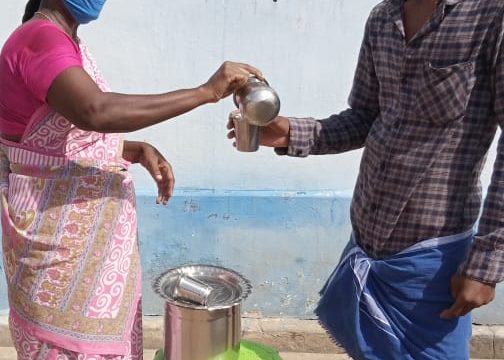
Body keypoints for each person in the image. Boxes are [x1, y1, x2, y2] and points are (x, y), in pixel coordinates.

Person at [228, 0, 503, 359]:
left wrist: (486, 263)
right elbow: (365, 116)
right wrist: (289, 132)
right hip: (366, 243)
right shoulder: (384, 18)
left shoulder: (489, 16)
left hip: (432, 258)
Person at [0, 0, 263, 358]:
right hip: (61, 267)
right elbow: (95, 110)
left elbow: (62, 142)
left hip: (88, 268)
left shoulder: (66, 41)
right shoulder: (40, 38)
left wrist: (128, 149)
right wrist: (206, 92)